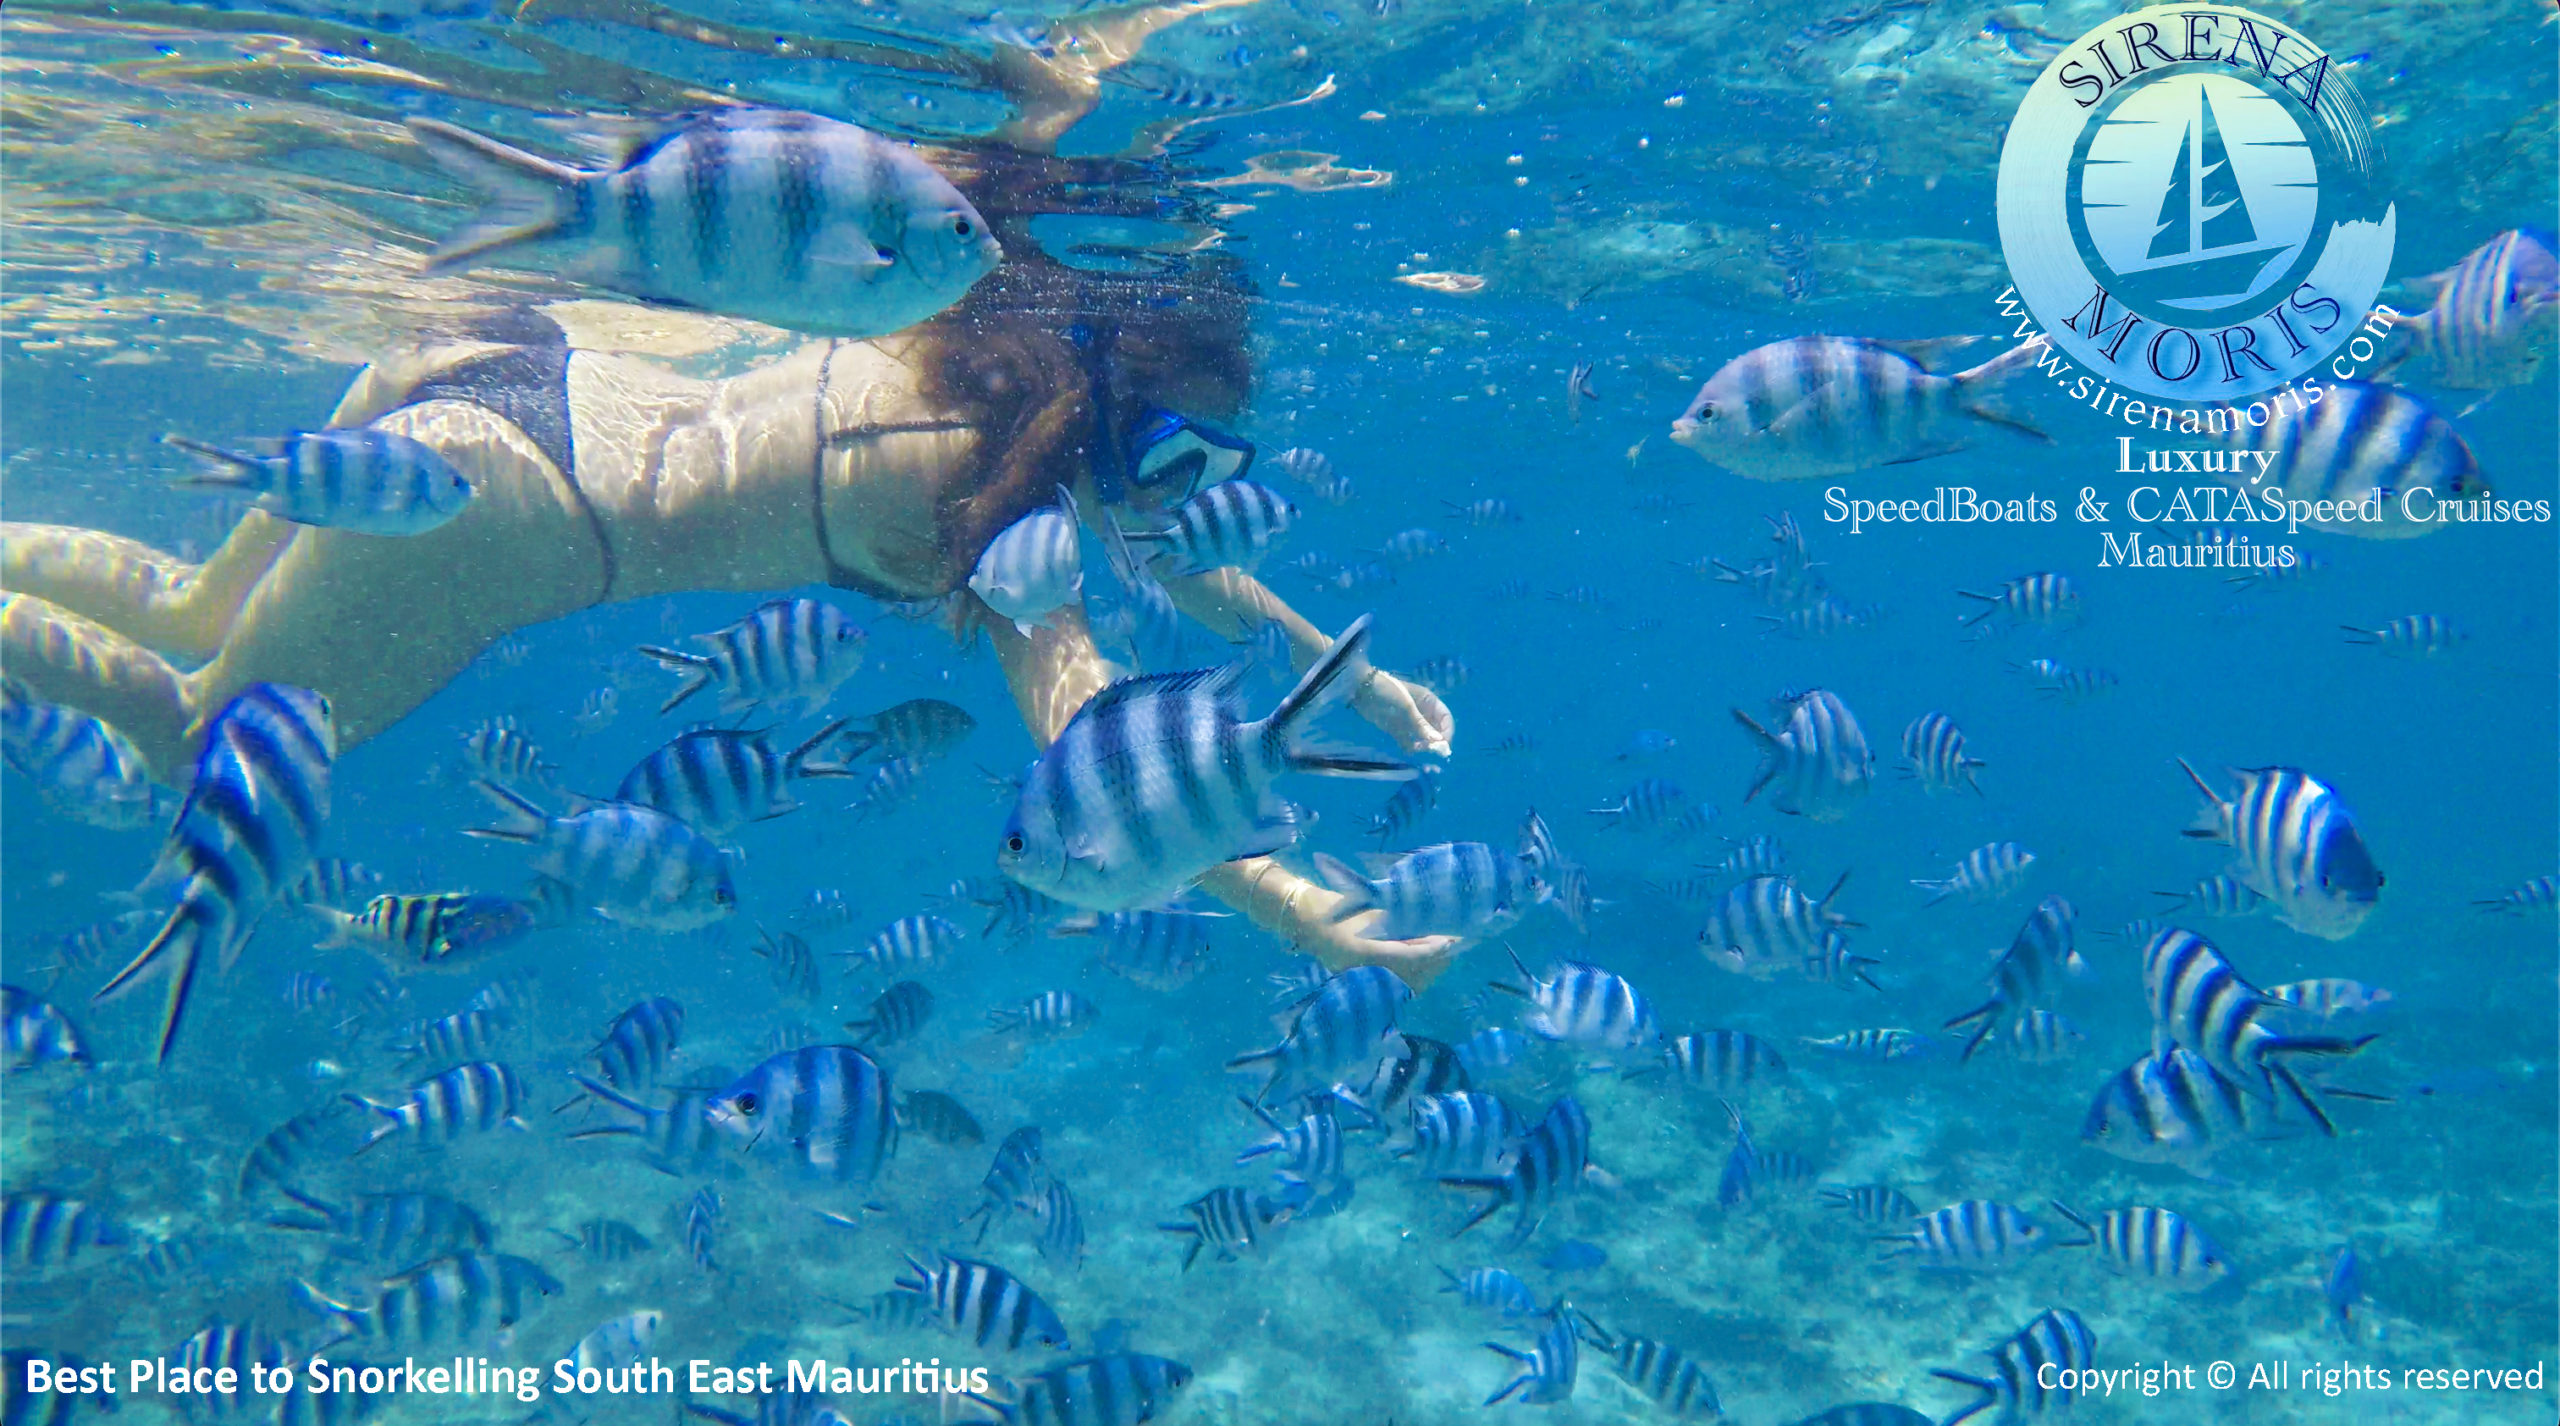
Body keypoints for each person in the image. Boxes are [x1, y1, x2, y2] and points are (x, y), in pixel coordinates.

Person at [0, 106, 1464, 988]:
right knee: (196, 731)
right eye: (1172, 446)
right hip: (494, 517)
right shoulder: (1002, 521)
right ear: (1112, 406)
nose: (1180, 485)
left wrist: (1330, 655)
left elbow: (1161, 530)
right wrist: (1300, 908)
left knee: (194, 607)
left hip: (506, 371)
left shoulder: (968, 333)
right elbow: (1098, 746)